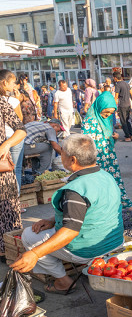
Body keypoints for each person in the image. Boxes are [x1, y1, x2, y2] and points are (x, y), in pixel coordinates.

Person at [10, 134, 124, 293]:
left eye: (62, 152)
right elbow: (95, 211)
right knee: (43, 233)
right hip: (115, 242)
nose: (59, 155)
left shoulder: (76, 190)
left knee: (29, 236)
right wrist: (52, 220)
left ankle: (63, 281)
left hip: (87, 249)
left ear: (73, 160)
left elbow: (70, 231)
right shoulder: (106, 175)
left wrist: (34, 254)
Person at [81, 92, 132, 208]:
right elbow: (85, 143)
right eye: (106, 112)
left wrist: (113, 138)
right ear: (99, 107)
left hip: (109, 158)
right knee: (99, 184)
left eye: (111, 113)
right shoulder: (90, 121)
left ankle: (120, 204)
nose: (108, 115)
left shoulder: (107, 120)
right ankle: (102, 207)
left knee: (114, 181)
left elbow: (107, 139)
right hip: (96, 160)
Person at [0, 80, 27, 260]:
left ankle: (6, 250)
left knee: (6, 210)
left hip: (1, 170)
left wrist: (6, 144)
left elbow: (21, 129)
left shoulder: (1, 102)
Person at [1, 71, 25, 196]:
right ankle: (16, 198)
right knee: (16, 169)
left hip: (4, 140)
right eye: (13, 82)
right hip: (14, 138)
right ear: (5, 83)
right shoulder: (12, 101)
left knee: (5, 170)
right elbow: (19, 120)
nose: (14, 85)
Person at [113, 71, 132, 142]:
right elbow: (131, 93)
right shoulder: (126, 83)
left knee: (123, 121)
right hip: (128, 104)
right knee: (127, 120)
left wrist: (114, 105)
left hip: (122, 105)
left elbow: (116, 97)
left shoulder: (118, 85)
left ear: (115, 78)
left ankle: (127, 137)